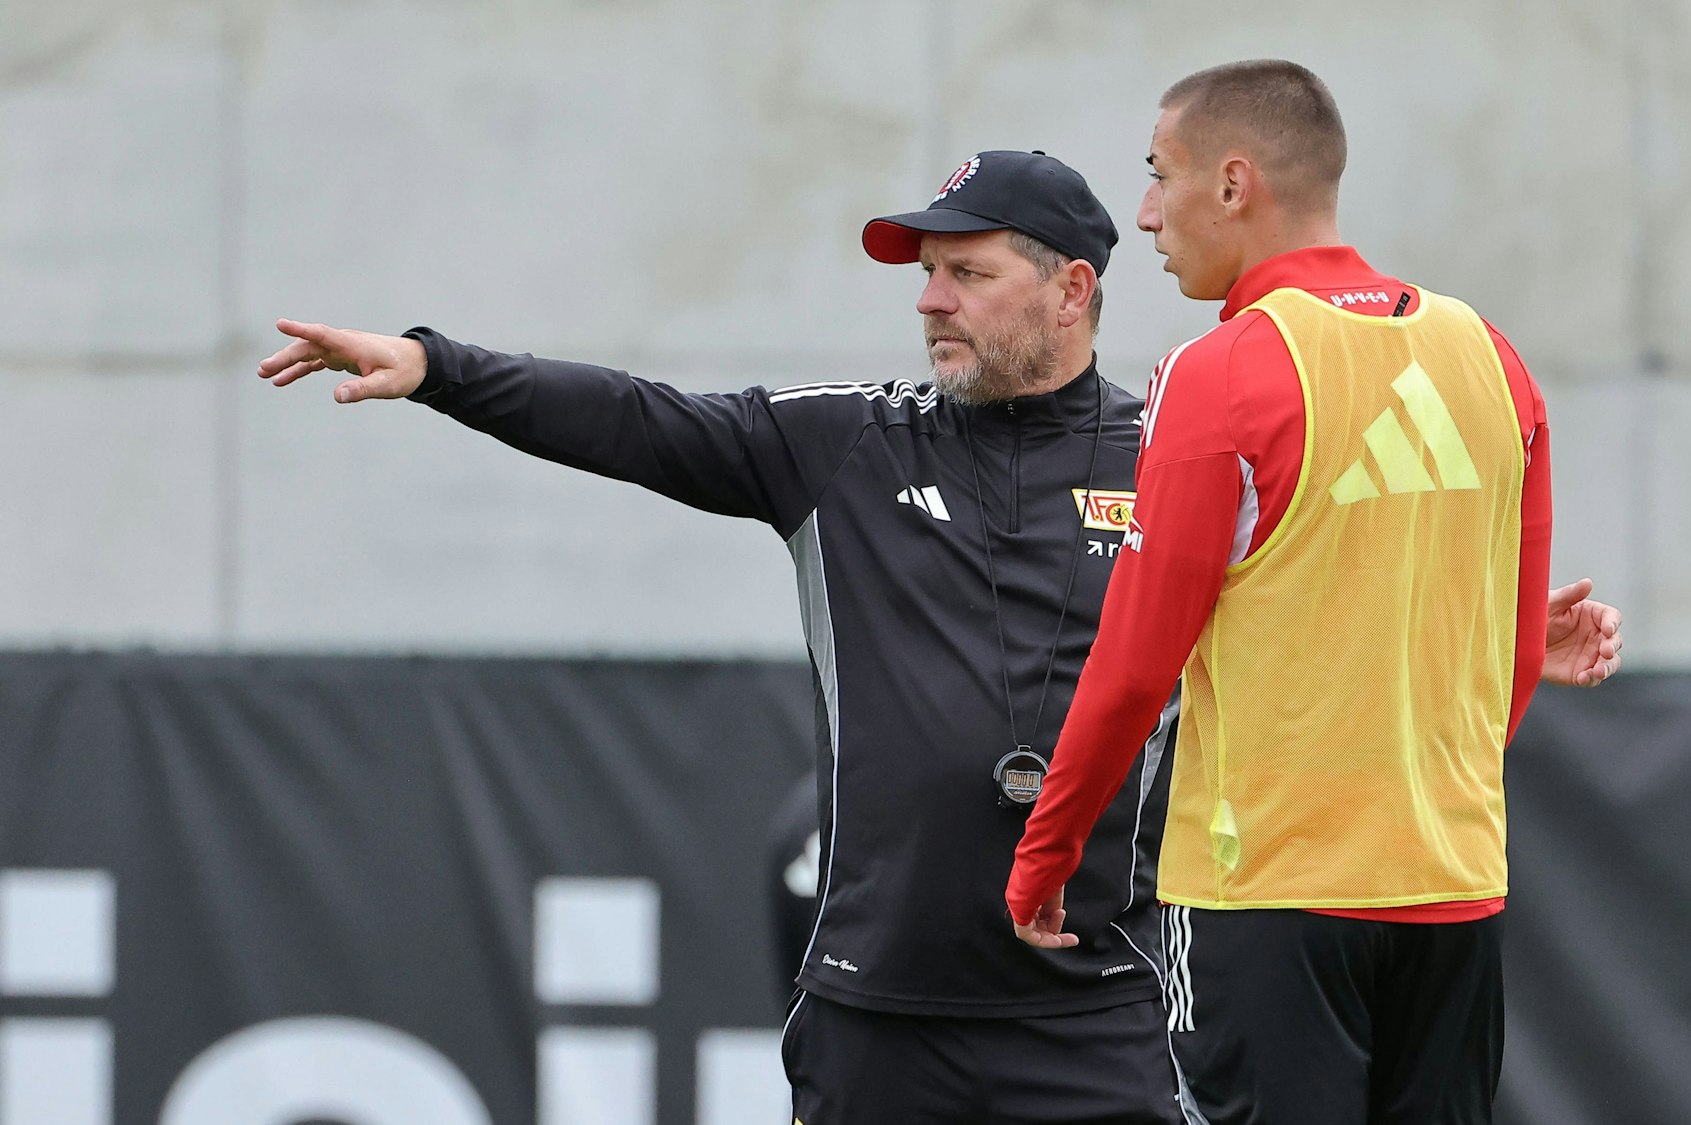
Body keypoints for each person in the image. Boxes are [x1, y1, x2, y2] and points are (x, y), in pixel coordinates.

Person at [258, 146, 1618, 1124]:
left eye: (966, 274)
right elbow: (637, 418)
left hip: (1101, 1009)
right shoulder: (837, 442)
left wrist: (1481, 635)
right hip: (876, 1014)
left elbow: (1314, 608)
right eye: (925, 275)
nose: (929, 300)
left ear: (1073, 288)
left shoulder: (1178, 441)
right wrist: (439, 367)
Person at [1008, 61, 1588, 1124]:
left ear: (1233, 185)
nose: (1142, 213)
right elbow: (1506, 660)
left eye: (1157, 175)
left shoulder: (1219, 370)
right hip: (1451, 886)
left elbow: (1136, 661)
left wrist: (1047, 854)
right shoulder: (1490, 357)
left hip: (1265, 893)